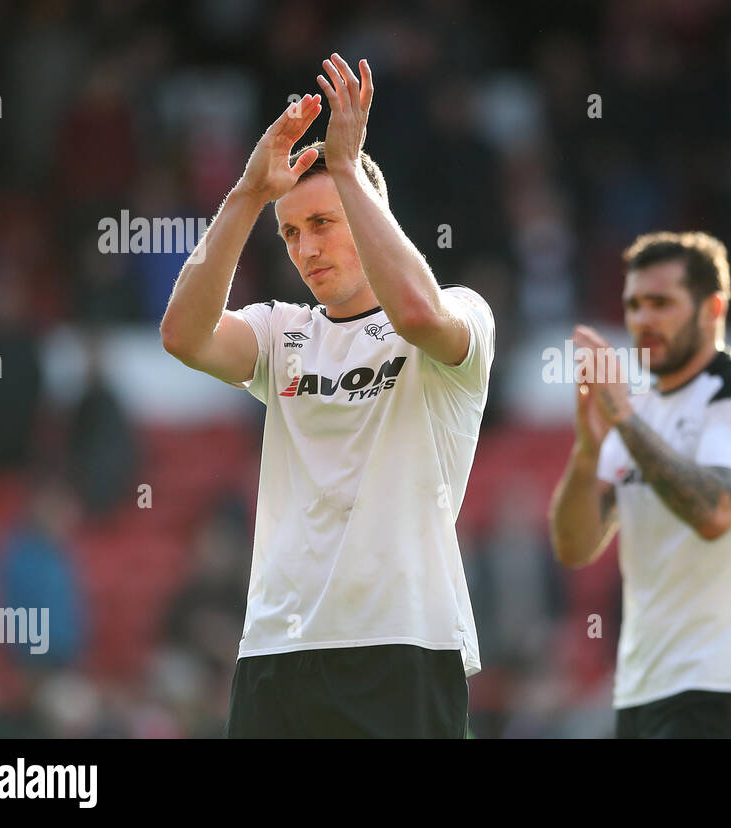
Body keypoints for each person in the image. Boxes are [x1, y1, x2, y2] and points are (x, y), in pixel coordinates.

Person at [160, 54, 493, 738]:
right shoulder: (281, 331)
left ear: (370, 214)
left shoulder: (459, 312)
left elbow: (422, 317)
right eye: (290, 232)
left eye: (323, 223)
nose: (305, 247)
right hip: (277, 650)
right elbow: (184, 336)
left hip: (403, 642)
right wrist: (250, 194)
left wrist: (345, 167)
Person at [548, 231, 731, 738]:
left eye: (660, 303)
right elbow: (574, 547)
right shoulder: (637, 412)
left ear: (712, 308)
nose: (642, 320)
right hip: (642, 683)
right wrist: (587, 453)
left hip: (719, 683)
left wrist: (621, 418)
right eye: (633, 305)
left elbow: (714, 512)